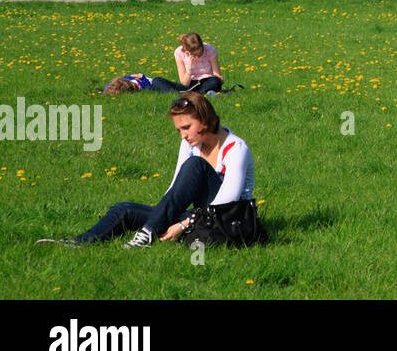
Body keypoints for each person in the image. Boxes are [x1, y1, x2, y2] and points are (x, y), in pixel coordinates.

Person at [41, 93, 254, 248]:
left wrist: (182, 225)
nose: (183, 135)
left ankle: (147, 234)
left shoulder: (236, 149)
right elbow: (176, 188)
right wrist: (164, 215)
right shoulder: (190, 144)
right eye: (179, 130)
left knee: (195, 165)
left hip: (229, 221)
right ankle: (80, 243)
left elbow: (227, 203)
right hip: (200, 217)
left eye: (187, 127)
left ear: (205, 120)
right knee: (124, 209)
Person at [102, 73, 187, 94]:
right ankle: (183, 93)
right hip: (155, 83)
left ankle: (190, 90)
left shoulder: (126, 79)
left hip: (158, 81)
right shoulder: (141, 87)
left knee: (177, 86)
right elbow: (151, 88)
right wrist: (142, 77)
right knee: (158, 81)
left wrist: (105, 89)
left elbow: (110, 84)